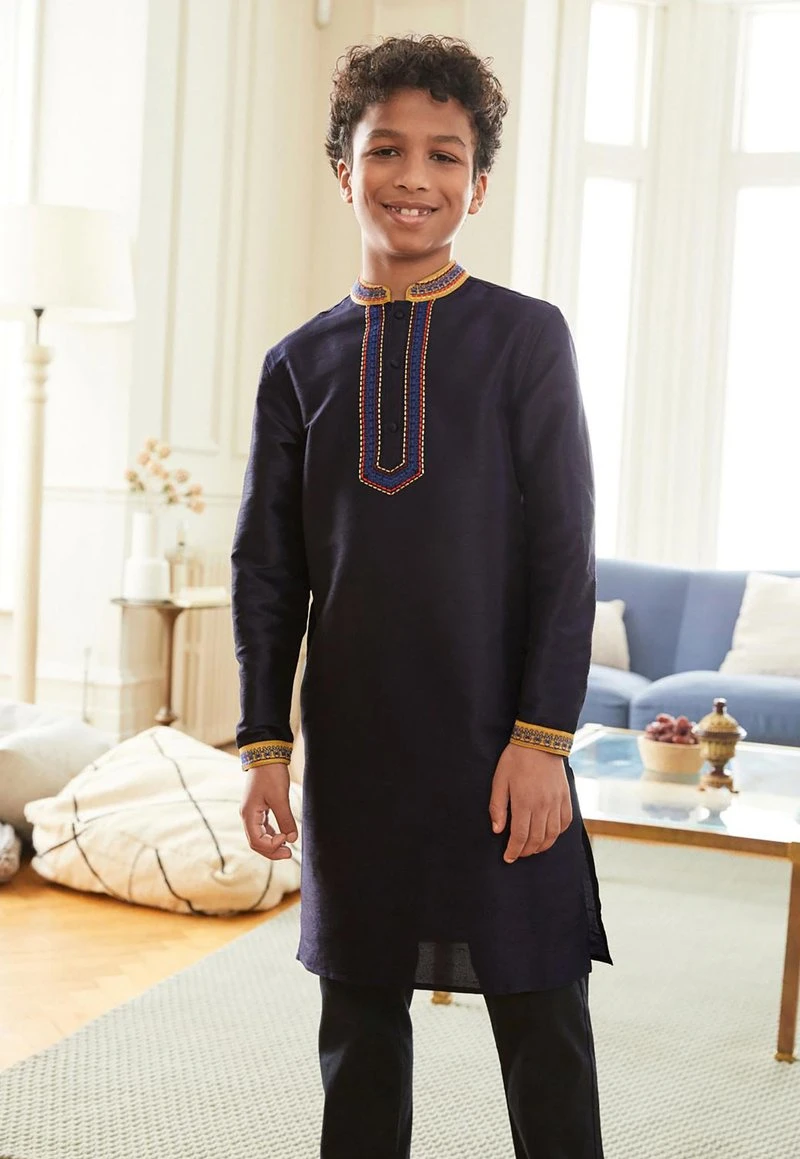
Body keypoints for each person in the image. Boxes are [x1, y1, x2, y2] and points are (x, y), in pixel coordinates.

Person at [231, 33, 612, 1159]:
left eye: (444, 155)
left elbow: (566, 554)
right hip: (356, 757)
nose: (414, 176)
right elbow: (268, 570)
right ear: (343, 168)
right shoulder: (296, 365)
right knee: (357, 1034)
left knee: (543, 1019)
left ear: (476, 185)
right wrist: (263, 746)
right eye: (386, 149)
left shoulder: (526, 338)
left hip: (501, 747)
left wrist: (542, 739)